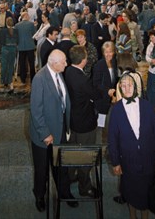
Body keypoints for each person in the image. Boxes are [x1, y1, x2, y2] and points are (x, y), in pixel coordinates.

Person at [108, 72, 155, 218]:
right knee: (131, 191)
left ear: (135, 87)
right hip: (128, 159)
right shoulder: (116, 110)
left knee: (147, 190)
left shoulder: (146, 106)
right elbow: (112, 139)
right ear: (120, 88)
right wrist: (115, 162)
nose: (127, 89)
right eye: (123, 86)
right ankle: (132, 216)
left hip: (148, 157)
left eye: (130, 85)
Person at [30, 49, 78, 212]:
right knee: (42, 169)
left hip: (60, 129)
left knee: (61, 166)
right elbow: (36, 111)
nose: (67, 64)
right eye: (64, 61)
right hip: (44, 135)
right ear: (54, 63)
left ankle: (65, 193)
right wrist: (45, 134)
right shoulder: (39, 79)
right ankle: (39, 196)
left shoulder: (59, 74)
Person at [65, 45, 101, 197]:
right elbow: (95, 95)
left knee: (72, 151)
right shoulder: (82, 79)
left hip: (71, 121)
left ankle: (71, 176)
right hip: (85, 123)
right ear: (83, 60)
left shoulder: (68, 71)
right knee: (86, 155)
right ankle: (85, 186)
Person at [93, 41, 118, 120]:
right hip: (102, 98)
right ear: (103, 53)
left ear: (113, 52)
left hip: (114, 98)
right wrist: (107, 91)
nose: (108, 54)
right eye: (106, 52)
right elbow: (96, 83)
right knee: (102, 123)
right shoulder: (98, 65)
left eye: (110, 52)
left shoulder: (115, 63)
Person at [14, 11, 36, 85]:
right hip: (30, 46)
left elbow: (16, 37)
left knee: (22, 63)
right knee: (31, 63)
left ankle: (23, 79)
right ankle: (33, 79)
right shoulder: (31, 24)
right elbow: (34, 34)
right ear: (26, 16)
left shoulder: (17, 25)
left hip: (21, 46)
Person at [0, 18, 18, 90]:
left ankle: (4, 81)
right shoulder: (16, 31)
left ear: (6, 23)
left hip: (5, 49)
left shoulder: (3, 31)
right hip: (13, 49)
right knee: (11, 66)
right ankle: (10, 81)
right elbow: (18, 41)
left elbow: (1, 41)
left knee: (4, 65)